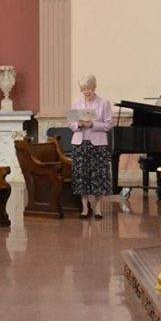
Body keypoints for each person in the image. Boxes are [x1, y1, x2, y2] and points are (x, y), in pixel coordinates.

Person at [68, 74, 113, 220]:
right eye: (83, 89)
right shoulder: (76, 103)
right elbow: (71, 123)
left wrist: (93, 124)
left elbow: (108, 124)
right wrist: (78, 124)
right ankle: (85, 207)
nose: (86, 92)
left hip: (98, 144)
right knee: (82, 175)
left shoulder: (104, 103)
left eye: (88, 88)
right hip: (80, 143)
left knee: (98, 175)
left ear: (94, 87)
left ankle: (98, 207)